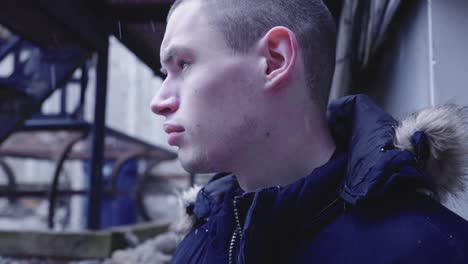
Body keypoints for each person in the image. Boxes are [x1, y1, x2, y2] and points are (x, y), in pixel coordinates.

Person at [150, 0, 468, 263]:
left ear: (274, 60)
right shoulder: (199, 242)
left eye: (183, 64)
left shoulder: (432, 249)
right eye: (165, 74)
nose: (159, 102)